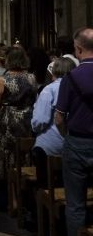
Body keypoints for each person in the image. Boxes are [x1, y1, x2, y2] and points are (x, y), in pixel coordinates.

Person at [55, 27, 93, 236]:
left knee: (76, 206)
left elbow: (59, 119)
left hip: (78, 143)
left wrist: (69, 135)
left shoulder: (70, 78)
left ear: (78, 49)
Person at [0, 47, 38, 200]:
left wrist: (4, 113)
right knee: (25, 152)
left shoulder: (3, 80)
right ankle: (25, 193)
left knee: (6, 153)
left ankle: (8, 195)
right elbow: (34, 98)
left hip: (9, 119)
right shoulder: (32, 78)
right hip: (27, 119)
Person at [31, 57, 76, 188]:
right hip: (74, 144)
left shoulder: (49, 89)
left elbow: (40, 120)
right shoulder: (78, 87)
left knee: (46, 184)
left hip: (50, 146)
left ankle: (44, 201)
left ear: (55, 72)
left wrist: (35, 129)